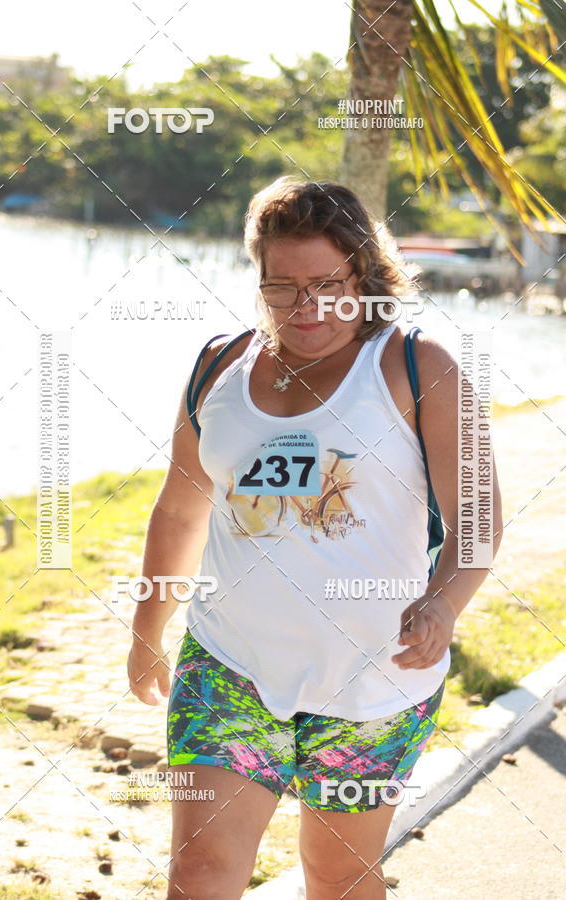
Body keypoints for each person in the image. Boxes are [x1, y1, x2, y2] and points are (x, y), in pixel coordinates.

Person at [127, 177, 503, 900]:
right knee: (199, 873)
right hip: (230, 666)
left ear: (364, 272)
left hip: (373, 684)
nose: (306, 307)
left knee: (336, 877)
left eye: (327, 283)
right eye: (282, 285)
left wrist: (443, 605)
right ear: (259, 279)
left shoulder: (416, 368)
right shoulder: (219, 369)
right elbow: (180, 511)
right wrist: (148, 627)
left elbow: (479, 519)